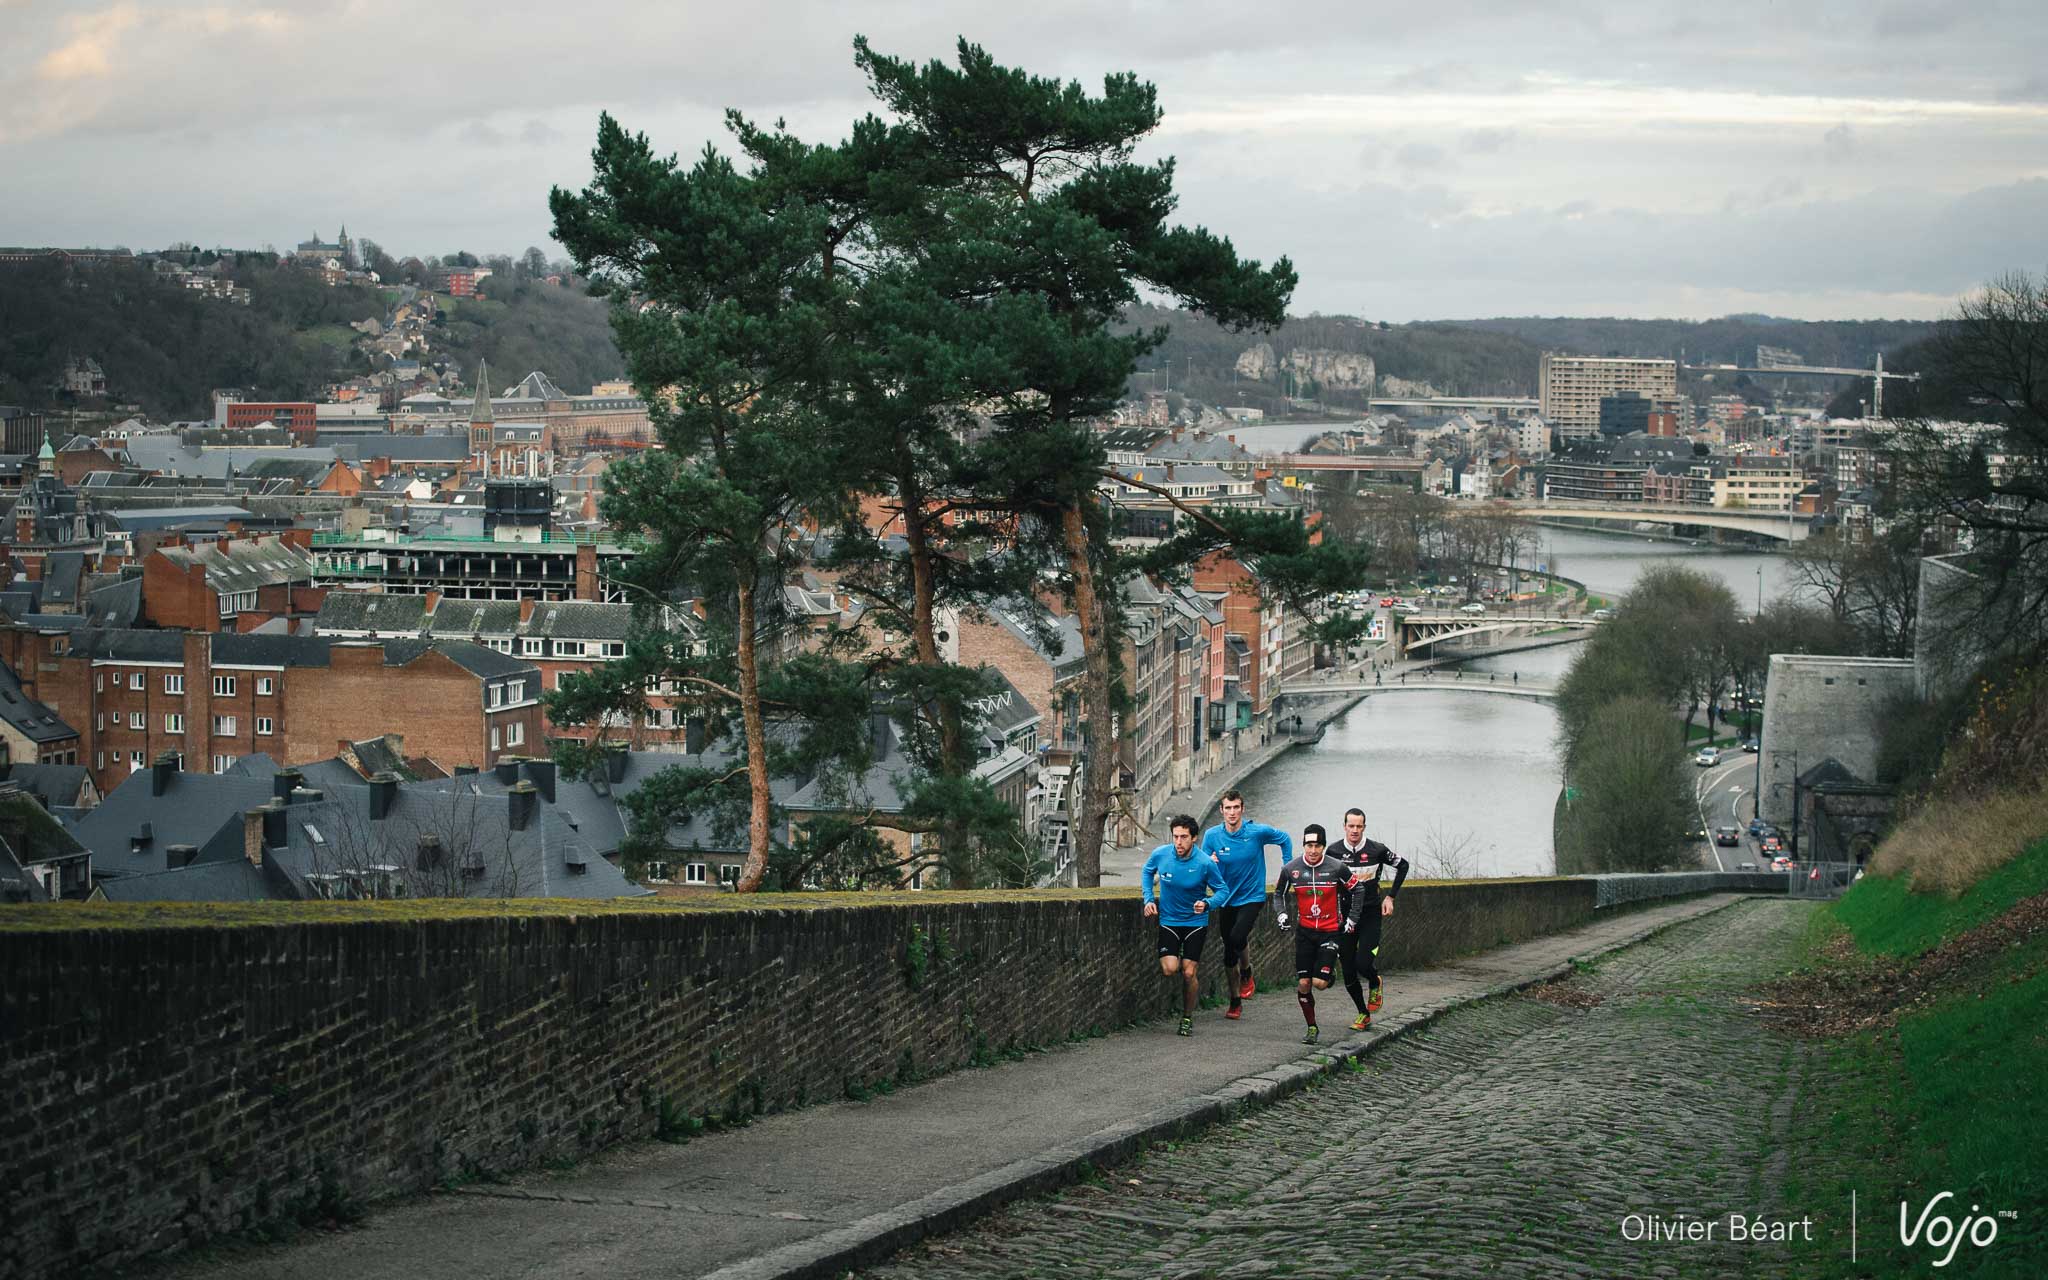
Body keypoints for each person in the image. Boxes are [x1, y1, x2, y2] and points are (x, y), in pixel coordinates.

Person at [1201, 791, 1292, 1021]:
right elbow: (1200, 863)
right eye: (1227, 808)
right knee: (1228, 954)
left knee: (1237, 935)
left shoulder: (1257, 832)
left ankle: (1247, 971)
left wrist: (1287, 868)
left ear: (1243, 809)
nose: (1232, 813)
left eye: (1236, 808)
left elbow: (1284, 839)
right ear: (1221, 811)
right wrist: (1208, 863)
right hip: (1225, 898)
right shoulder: (1212, 836)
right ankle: (1235, 1000)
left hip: (1252, 896)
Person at [1272, 823, 1365, 1044]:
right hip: (1304, 933)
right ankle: (1312, 1027)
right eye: (1309, 845)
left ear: (1323, 846)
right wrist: (1281, 915)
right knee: (1304, 984)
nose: (1313, 851)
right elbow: (1278, 895)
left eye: (1318, 846)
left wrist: (1352, 918)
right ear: (1304, 845)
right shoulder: (1291, 869)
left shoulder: (1336, 867)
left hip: (1330, 931)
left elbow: (1358, 889)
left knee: (1319, 984)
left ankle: (1328, 974)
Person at [1141, 814, 1226, 1037]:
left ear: (1194, 838)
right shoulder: (1161, 854)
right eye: (1175, 837)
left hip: (1195, 923)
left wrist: (1207, 903)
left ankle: (1187, 1018)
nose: (1178, 842)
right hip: (1169, 921)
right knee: (1170, 969)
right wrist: (1148, 899)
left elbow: (1223, 892)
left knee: (1189, 973)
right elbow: (1147, 871)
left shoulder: (1205, 863)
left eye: (1184, 837)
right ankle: (1181, 958)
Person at [1329, 807, 1410, 1030]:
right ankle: (1363, 1013)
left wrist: (1391, 897)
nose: (1354, 830)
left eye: (1359, 826)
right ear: (1344, 826)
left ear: (1364, 827)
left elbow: (1403, 865)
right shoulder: (1333, 852)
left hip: (1370, 914)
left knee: (1363, 963)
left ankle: (1375, 981)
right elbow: (1325, 881)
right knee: (1347, 968)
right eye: (1351, 826)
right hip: (1345, 916)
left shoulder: (1377, 850)